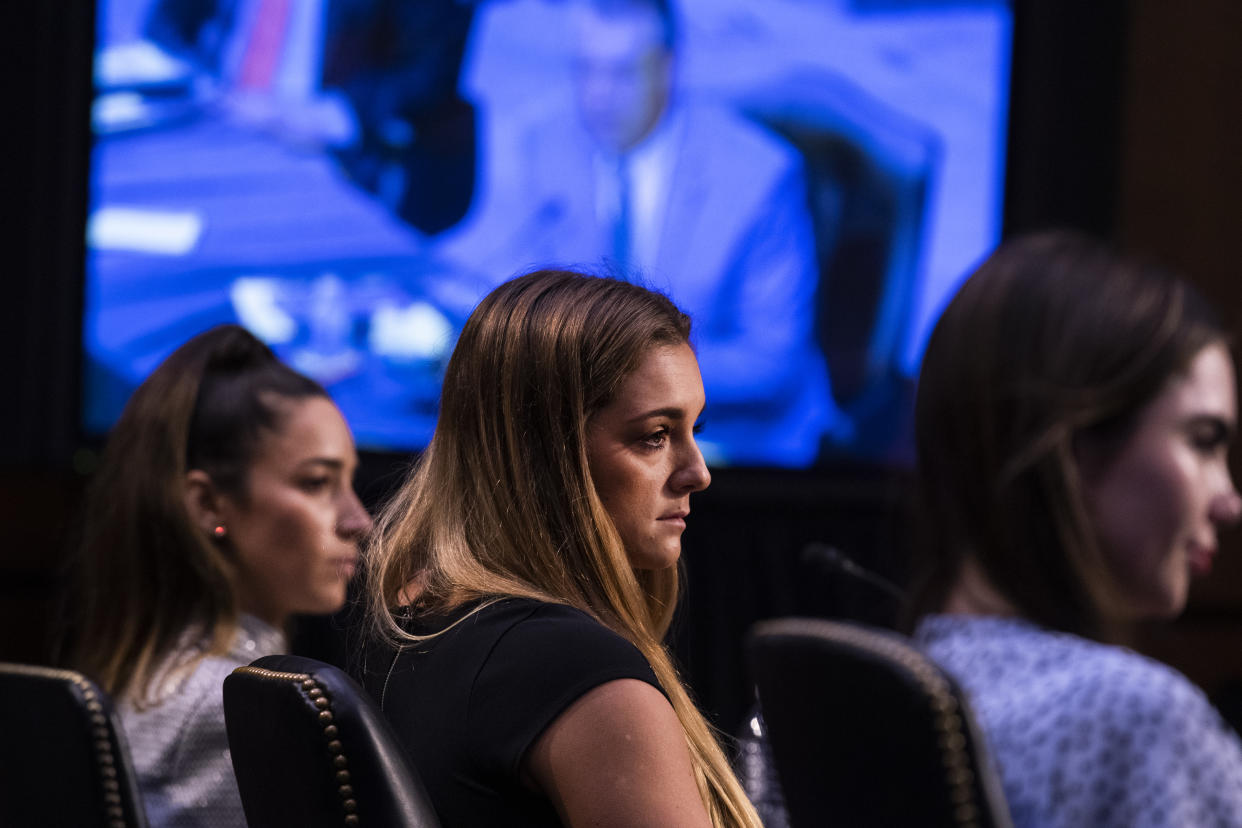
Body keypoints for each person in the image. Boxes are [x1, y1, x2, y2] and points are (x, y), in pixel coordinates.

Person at [360, 270, 761, 826]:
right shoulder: (588, 679)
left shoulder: (412, 623)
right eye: (655, 436)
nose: (698, 474)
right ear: (545, 455)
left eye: (694, 428)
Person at [909, 230, 1242, 826]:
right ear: (1073, 449)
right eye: (1202, 441)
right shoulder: (1132, 720)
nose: (1230, 502)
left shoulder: (863, 698)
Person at [438, 0, 848, 466]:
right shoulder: (546, 142)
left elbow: (771, 363)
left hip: (732, 441)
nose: (598, 94)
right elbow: (503, 268)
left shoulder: (759, 176)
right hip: (593, 437)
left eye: (622, 73)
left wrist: (619, 371)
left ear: (667, 69)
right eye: (587, 69)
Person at [59, 325, 372, 826]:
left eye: (349, 482)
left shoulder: (154, 673)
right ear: (207, 503)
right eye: (317, 482)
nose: (359, 520)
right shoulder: (230, 704)